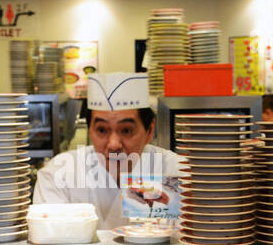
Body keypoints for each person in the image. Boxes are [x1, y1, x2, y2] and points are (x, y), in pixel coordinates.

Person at [33, 72, 181, 230]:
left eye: (126, 130)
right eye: (102, 130)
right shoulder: (59, 175)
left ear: (150, 131)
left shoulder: (176, 170)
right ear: (90, 131)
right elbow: (50, 243)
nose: (114, 144)